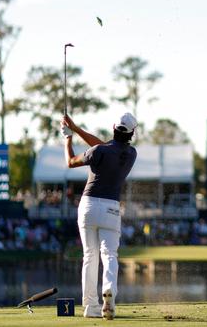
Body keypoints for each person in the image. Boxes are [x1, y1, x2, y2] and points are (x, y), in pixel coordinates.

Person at [61, 113, 138, 320]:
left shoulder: (98, 151)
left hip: (88, 205)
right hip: (111, 208)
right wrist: (76, 129)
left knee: (90, 256)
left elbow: (70, 161)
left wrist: (68, 137)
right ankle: (109, 289)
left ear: (113, 128)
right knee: (109, 254)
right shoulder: (131, 153)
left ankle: (91, 307)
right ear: (132, 133)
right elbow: (106, 147)